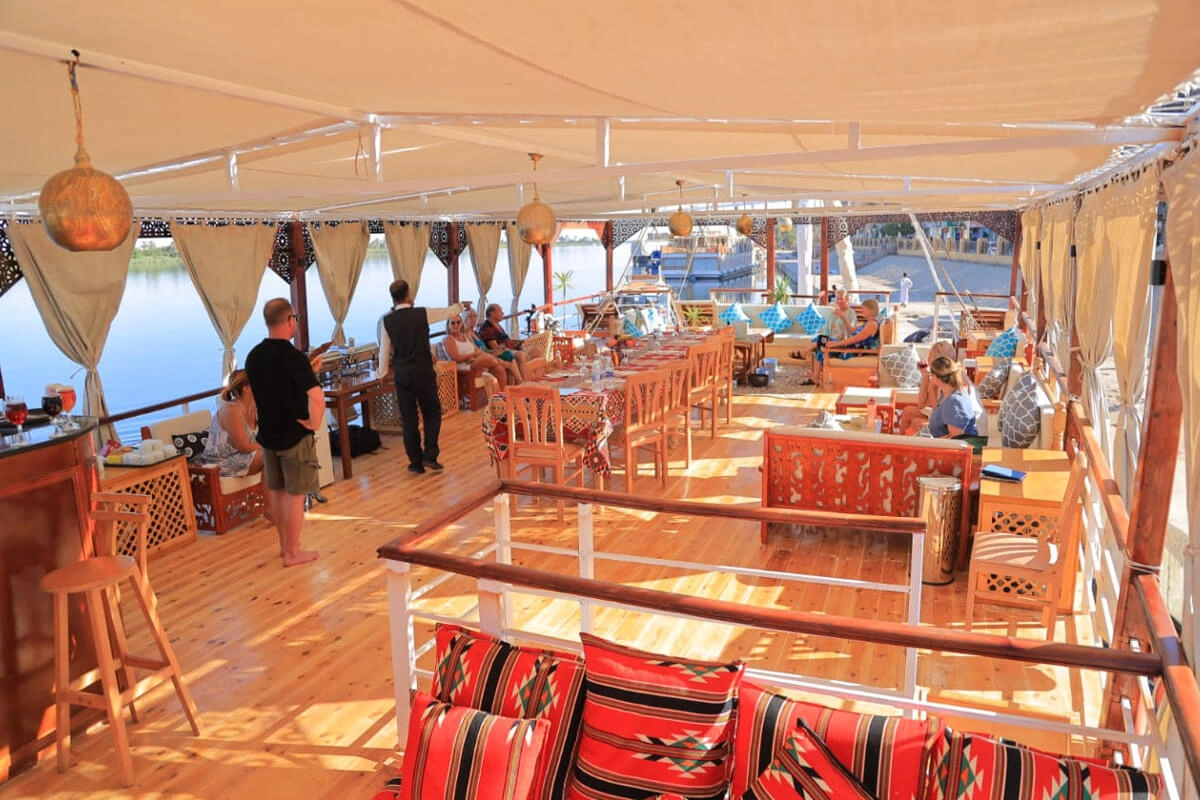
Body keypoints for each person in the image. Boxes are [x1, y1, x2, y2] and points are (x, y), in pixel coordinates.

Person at [245, 298, 325, 567]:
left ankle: (285, 547)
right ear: (290, 320)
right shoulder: (293, 357)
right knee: (296, 495)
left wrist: (306, 372)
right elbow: (316, 397)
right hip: (294, 435)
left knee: (278, 493)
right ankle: (293, 552)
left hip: (268, 436)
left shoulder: (254, 356)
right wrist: (314, 423)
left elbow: (273, 387)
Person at [377, 279, 462, 474]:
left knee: (409, 419)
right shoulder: (422, 313)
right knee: (432, 412)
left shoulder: (386, 320)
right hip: (423, 372)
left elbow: (384, 351)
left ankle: (415, 462)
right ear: (408, 295)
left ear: (393, 298)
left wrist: (381, 374)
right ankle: (430, 455)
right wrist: (460, 306)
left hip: (403, 375)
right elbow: (447, 312)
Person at [790, 297, 881, 386]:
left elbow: (855, 339)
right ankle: (812, 371)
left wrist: (836, 344)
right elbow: (851, 330)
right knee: (822, 340)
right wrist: (842, 317)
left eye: (863, 309)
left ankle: (807, 359)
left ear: (870, 310)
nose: (861, 311)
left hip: (851, 350)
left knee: (821, 344)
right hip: (848, 346)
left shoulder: (872, 325)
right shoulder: (868, 323)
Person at [201, 369, 263, 478]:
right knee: (271, 454)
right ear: (246, 388)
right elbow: (244, 446)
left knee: (283, 451)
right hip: (221, 464)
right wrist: (272, 444)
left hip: (245, 456)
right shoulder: (231, 410)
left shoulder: (254, 406)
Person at [898, 339, 957, 435]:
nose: (927, 358)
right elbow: (921, 404)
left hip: (947, 421)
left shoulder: (946, 379)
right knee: (907, 411)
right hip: (938, 414)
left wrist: (932, 387)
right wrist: (925, 377)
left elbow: (937, 411)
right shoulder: (936, 375)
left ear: (939, 360)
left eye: (930, 355)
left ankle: (909, 442)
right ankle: (901, 441)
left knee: (916, 423)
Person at [444, 313, 506, 398]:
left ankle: (500, 399)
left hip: (474, 363)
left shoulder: (465, 336)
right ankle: (504, 363)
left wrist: (490, 356)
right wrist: (472, 355)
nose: (456, 325)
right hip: (464, 369)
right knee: (486, 358)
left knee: (499, 369)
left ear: (461, 323)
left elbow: (478, 351)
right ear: (448, 325)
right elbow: (456, 358)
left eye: (458, 322)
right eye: (453, 323)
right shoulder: (448, 339)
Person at [925, 356, 980, 438]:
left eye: (931, 375)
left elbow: (956, 437)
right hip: (941, 443)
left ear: (936, 377)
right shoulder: (948, 393)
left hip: (950, 445)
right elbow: (936, 411)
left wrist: (930, 442)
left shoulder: (953, 402)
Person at [465, 306, 522, 384]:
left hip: (488, 353)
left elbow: (486, 348)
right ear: (465, 319)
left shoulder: (475, 333)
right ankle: (520, 382)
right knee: (510, 358)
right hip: (482, 357)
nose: (473, 319)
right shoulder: (467, 335)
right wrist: (494, 352)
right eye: (470, 317)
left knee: (510, 357)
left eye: (475, 316)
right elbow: (477, 350)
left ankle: (517, 384)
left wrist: (496, 350)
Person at [478, 303, 529, 382]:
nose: (503, 313)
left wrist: (518, 345)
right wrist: (513, 349)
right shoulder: (486, 328)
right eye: (500, 311)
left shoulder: (498, 325)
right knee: (521, 355)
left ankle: (537, 381)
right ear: (492, 313)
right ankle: (525, 382)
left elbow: (507, 340)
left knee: (536, 351)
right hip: (502, 352)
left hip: (511, 348)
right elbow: (495, 347)